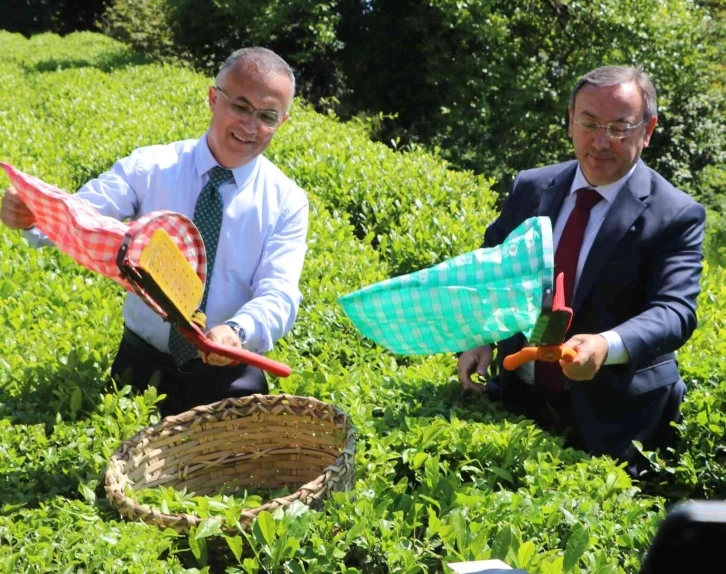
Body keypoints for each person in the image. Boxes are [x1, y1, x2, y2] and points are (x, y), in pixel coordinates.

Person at [0, 47, 309, 416]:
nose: (249, 125)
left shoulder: (287, 201)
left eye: (266, 116)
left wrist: (236, 332)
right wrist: (34, 215)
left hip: (231, 372)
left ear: (282, 121)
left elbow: (280, 293)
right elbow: (83, 215)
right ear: (213, 98)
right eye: (240, 107)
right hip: (141, 363)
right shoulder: (151, 167)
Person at [457, 65, 705, 477]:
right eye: (589, 123)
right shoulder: (531, 188)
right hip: (519, 400)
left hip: (620, 424)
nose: (601, 141)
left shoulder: (676, 214)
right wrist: (480, 334)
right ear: (570, 120)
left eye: (619, 127)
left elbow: (675, 311)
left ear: (648, 129)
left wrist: (607, 345)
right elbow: (492, 269)